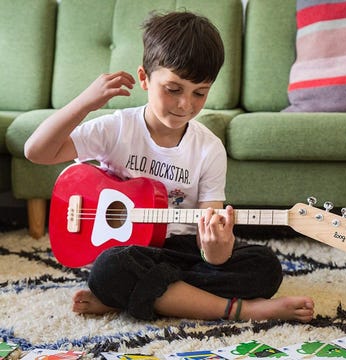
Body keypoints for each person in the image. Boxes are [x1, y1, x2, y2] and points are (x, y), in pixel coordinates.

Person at [24, 11, 314, 322]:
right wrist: (85, 103)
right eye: (173, 89)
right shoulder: (117, 128)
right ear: (145, 78)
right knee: (111, 266)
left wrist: (216, 250)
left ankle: (130, 297)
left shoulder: (209, 148)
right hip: (133, 251)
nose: (185, 105)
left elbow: (210, 244)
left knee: (265, 265)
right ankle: (241, 310)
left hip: (184, 251)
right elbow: (37, 151)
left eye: (199, 93)